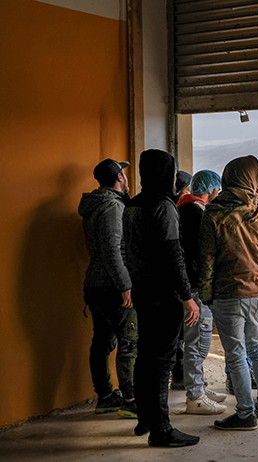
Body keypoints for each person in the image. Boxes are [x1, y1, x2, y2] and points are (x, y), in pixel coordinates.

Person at [123, 149, 200, 447]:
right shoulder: (164, 206)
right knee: (161, 363)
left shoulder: (132, 205)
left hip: (141, 290)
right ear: (166, 173)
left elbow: (127, 249)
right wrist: (187, 296)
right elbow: (173, 255)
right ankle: (162, 430)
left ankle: (145, 418)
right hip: (163, 294)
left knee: (145, 358)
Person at [199, 155, 258, 431]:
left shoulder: (214, 213)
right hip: (257, 293)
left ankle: (245, 413)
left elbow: (206, 260)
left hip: (228, 293)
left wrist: (206, 295)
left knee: (235, 355)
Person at [78, 159, 138, 418]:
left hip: (95, 283)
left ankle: (105, 397)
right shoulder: (113, 206)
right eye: (123, 173)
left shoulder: (94, 205)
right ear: (119, 177)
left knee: (102, 341)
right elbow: (113, 250)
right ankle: (131, 400)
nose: (126, 177)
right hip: (112, 285)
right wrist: (125, 285)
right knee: (130, 341)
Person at [176, 170, 227, 414]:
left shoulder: (186, 208)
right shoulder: (195, 214)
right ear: (212, 189)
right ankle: (195, 395)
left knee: (197, 340)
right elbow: (200, 255)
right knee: (197, 341)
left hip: (192, 286)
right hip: (195, 287)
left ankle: (198, 388)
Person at [169, 169, 194, 390]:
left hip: (168, 281)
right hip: (176, 281)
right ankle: (180, 375)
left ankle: (179, 374)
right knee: (179, 333)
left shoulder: (171, 208)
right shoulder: (173, 210)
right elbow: (177, 255)